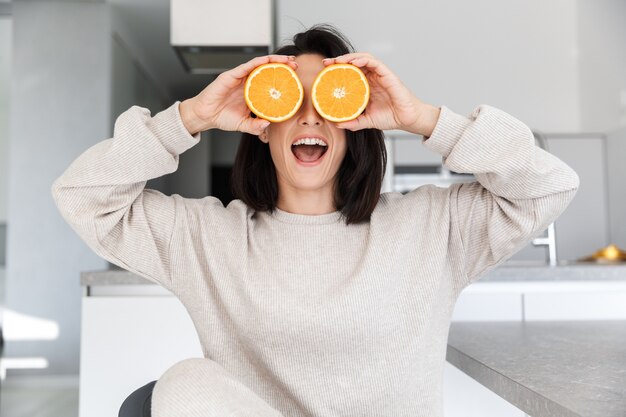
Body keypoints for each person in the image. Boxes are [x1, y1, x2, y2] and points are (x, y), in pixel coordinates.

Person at [52, 24, 579, 417]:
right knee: (186, 384)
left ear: (354, 127)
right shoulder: (207, 238)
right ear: (263, 127)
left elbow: (549, 185)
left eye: (330, 98)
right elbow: (82, 197)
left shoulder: (434, 225)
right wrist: (191, 117)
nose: (309, 115)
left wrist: (422, 117)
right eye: (289, 99)